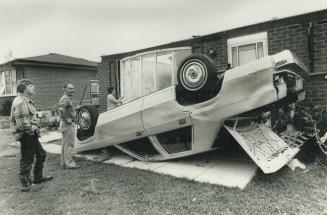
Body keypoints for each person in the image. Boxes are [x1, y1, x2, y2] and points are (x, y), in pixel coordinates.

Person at [11, 79, 53, 192]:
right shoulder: (20, 101)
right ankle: (26, 184)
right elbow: (22, 123)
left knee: (41, 154)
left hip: (31, 133)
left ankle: (38, 178)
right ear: (24, 89)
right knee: (27, 158)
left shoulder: (27, 101)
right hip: (26, 134)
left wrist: (35, 128)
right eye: (30, 86)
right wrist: (33, 129)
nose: (33, 88)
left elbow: (29, 118)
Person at [58, 83, 80, 169]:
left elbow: (67, 110)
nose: (72, 90)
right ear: (65, 89)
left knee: (65, 144)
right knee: (69, 144)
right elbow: (61, 109)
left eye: (73, 88)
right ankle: (70, 163)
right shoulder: (65, 99)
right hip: (67, 124)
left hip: (65, 124)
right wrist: (67, 119)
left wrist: (75, 109)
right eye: (70, 88)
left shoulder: (67, 98)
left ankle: (64, 162)